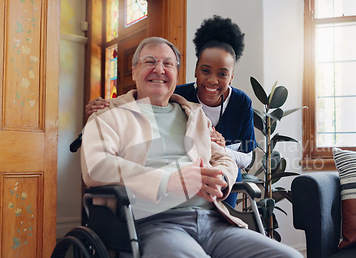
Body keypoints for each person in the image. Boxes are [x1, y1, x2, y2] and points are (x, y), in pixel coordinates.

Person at [81, 36, 308, 258]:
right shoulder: (108, 116)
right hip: (150, 225)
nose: (159, 69)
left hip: (212, 222)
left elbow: (222, 156)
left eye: (168, 63)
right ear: (134, 70)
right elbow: (96, 166)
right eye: (150, 61)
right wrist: (168, 181)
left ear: (177, 73)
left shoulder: (193, 115)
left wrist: (221, 176)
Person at [85, 15, 256, 208]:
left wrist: (216, 166)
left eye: (167, 64)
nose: (212, 80)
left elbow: (234, 156)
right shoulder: (175, 95)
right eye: (149, 61)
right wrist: (111, 106)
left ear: (231, 77)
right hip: (157, 212)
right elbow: (143, 97)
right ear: (195, 71)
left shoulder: (197, 112)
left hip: (211, 201)